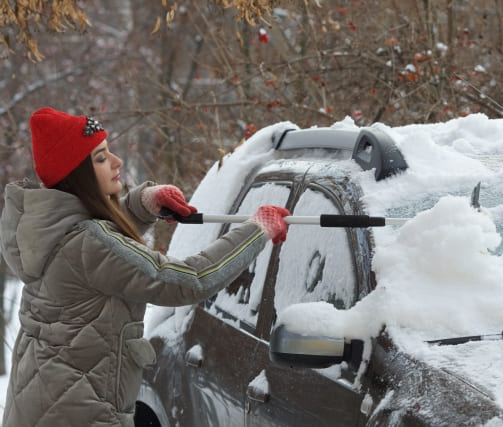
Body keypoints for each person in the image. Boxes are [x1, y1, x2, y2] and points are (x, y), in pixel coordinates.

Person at [0, 107, 290, 426]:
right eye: (100, 158)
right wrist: (256, 231)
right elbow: (186, 281)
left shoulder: (44, 229)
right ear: (76, 175)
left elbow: (93, 247)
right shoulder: (89, 243)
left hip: (40, 408)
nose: (116, 162)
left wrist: (140, 205)